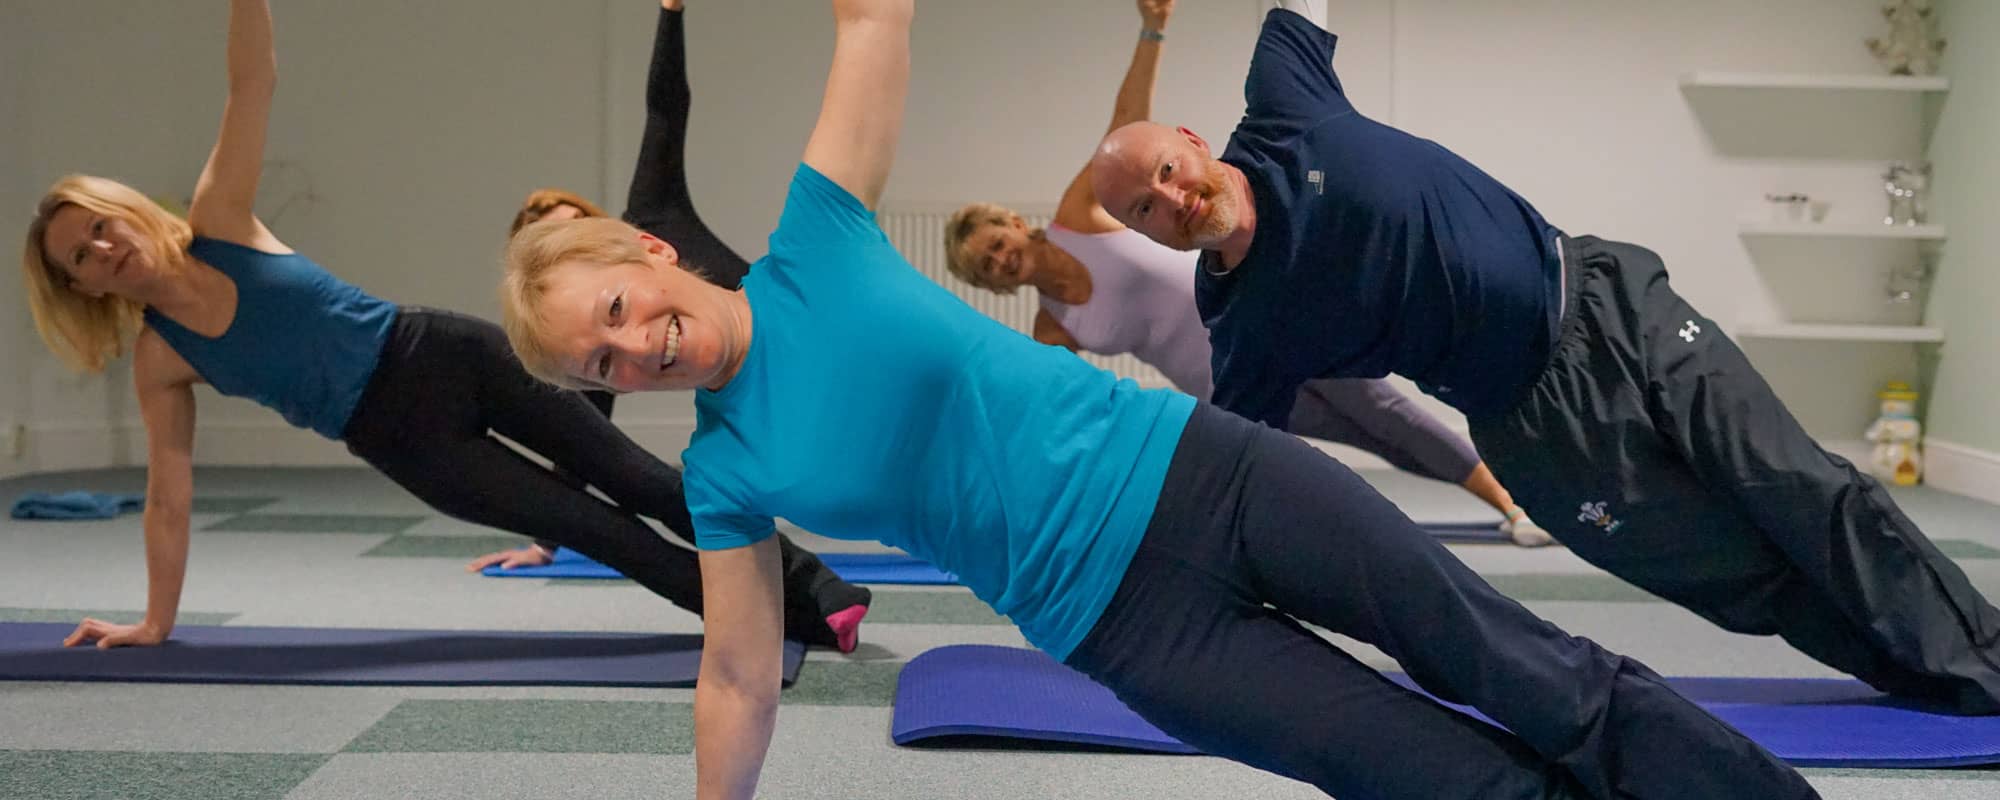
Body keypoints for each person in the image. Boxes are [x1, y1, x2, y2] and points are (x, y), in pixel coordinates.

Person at [497, 1, 1819, 796]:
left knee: (1522, 668)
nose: (633, 351)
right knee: (1430, 776)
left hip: (1215, 474)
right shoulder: (726, 473)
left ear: (644, 254)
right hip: (1124, 629)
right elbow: (736, 672)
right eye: (599, 366)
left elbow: (872, 20)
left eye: (613, 314)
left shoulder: (816, 235)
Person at [1088, 0, 2000, 712]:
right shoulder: (1244, 323)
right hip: (1539, 436)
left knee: (1803, 483)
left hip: (1609, 303)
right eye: (1142, 210)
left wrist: (1143, 30)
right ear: (1141, 236)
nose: (1171, 199)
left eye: (1167, 170)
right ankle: (1929, 677)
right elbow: (1246, 476)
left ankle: (1985, 660)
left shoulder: (1284, 104)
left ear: (1193, 142)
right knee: (1747, 582)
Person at [19, 0, 868, 653]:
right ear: (82, 288)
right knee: (592, 529)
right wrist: (153, 624)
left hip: (442, 353)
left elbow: (253, 84)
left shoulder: (222, 221)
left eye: (99, 226)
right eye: (80, 259)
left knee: (636, 476)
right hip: (397, 437)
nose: (102, 250)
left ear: (123, 212)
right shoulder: (162, 359)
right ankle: (768, 630)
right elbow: (168, 498)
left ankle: (819, 587)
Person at [940, 0, 1549, 546]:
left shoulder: (1081, 214)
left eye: (995, 243)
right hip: (1226, 381)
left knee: (1389, 413)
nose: (998, 259)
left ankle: (1513, 504)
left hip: (1279, 308)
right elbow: (1063, 404)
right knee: (1359, 444)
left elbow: (1125, 130)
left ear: (1014, 224)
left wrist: (1151, 31)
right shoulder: (1054, 327)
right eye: (985, 267)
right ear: (992, 284)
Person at [473, 0, 766, 572]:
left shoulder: (652, 214)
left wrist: (670, 14)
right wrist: (545, 543)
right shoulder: (609, 349)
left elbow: (664, 111)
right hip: (759, 406)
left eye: (570, 229)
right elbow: (583, 445)